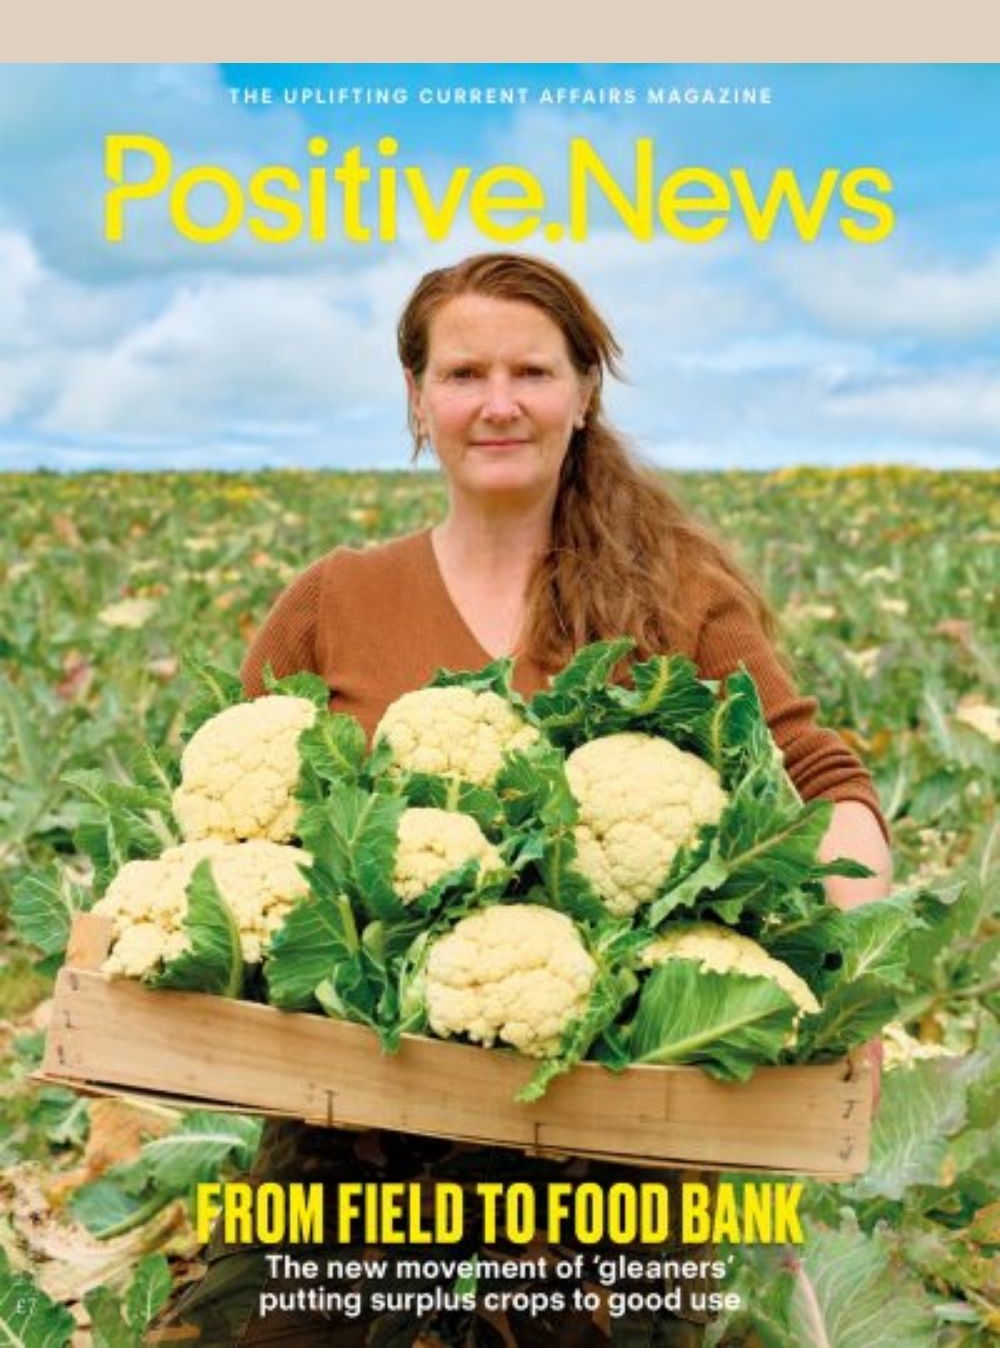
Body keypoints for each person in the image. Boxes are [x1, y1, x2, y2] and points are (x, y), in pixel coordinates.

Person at [146, 253, 891, 1348]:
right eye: (463, 374)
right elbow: (219, 839)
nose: (498, 403)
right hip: (345, 1137)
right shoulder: (334, 602)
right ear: (417, 400)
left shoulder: (674, 597)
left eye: (532, 372)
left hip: (609, 1146)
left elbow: (823, 781)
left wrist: (838, 950)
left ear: (584, 394)